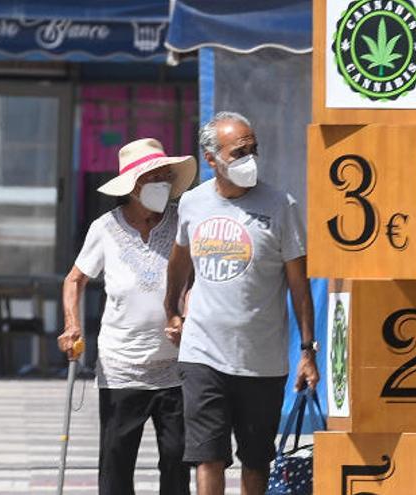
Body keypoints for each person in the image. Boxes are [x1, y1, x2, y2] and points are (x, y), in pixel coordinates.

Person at [164, 111, 319, 495]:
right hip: (203, 354)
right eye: (239, 152)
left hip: (261, 360)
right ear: (211, 159)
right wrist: (171, 308)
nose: (250, 158)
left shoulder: (282, 205)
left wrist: (307, 350)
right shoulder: (193, 204)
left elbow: (299, 285)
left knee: (256, 461)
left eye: (254, 149)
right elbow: (179, 260)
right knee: (208, 456)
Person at [57, 138, 196, 495]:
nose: (163, 185)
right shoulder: (105, 228)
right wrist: (72, 325)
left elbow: (196, 280)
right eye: (155, 178)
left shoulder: (182, 223)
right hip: (122, 367)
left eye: (167, 177)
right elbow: (75, 279)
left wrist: (188, 313)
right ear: (133, 187)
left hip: (175, 366)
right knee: (116, 462)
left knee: (178, 459)